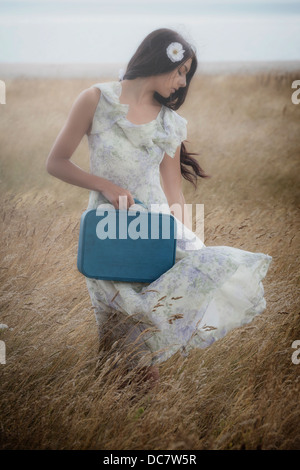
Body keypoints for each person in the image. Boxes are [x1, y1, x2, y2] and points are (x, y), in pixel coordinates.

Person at [46, 28, 272, 384]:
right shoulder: (95, 100)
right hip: (108, 235)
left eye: (187, 75)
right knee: (113, 338)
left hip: (153, 234)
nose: (182, 83)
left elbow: (173, 193)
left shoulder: (170, 124)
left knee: (140, 346)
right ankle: (107, 411)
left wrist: (188, 243)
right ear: (159, 59)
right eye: (180, 71)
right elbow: (56, 162)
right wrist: (105, 185)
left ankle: (130, 412)